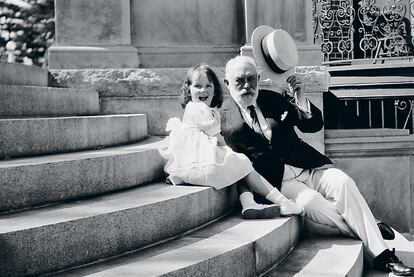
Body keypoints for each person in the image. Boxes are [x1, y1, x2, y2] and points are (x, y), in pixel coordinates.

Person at [220, 25, 414, 276]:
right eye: (239, 81)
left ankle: (383, 258)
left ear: (258, 79)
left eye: (251, 79)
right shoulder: (227, 121)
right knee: (313, 205)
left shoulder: (272, 99)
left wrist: (300, 97)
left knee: (343, 183)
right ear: (227, 83)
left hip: (309, 165)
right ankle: (374, 232)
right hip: (282, 181)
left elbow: (313, 125)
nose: (247, 86)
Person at [159, 63, 303, 219]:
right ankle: (282, 202)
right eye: (197, 86)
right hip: (200, 164)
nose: (203, 90)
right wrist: (233, 154)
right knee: (240, 162)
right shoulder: (198, 108)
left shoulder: (202, 109)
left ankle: (249, 203)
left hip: (191, 163)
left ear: (215, 89)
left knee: (239, 165)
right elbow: (219, 139)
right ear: (188, 90)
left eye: (208, 85)